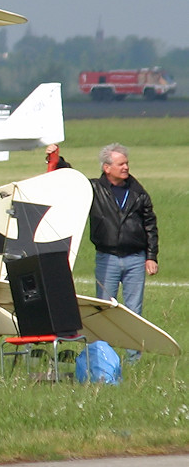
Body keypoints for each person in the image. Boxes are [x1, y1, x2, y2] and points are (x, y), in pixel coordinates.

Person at [47, 143, 159, 360]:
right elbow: (71, 180)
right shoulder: (94, 189)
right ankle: (103, 357)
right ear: (107, 168)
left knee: (134, 311)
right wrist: (56, 159)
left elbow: (150, 225)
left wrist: (151, 256)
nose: (126, 167)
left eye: (126, 163)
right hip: (107, 258)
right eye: (121, 164)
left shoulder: (138, 192)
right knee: (104, 310)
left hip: (136, 258)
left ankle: (133, 359)